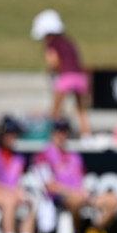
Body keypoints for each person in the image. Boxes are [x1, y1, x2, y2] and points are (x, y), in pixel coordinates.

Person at [31, 118, 117, 233]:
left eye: (65, 131)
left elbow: (82, 181)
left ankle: (94, 229)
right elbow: (49, 185)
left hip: (80, 194)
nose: (62, 135)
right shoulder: (43, 155)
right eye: (59, 131)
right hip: (57, 197)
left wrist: (84, 192)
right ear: (52, 132)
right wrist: (75, 192)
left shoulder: (74, 156)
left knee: (114, 200)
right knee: (75, 201)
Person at [31, 9, 91, 139]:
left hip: (65, 76)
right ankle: (86, 135)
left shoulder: (51, 44)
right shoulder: (68, 41)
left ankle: (52, 135)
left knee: (56, 109)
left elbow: (53, 61)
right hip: (80, 77)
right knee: (81, 109)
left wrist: (50, 70)